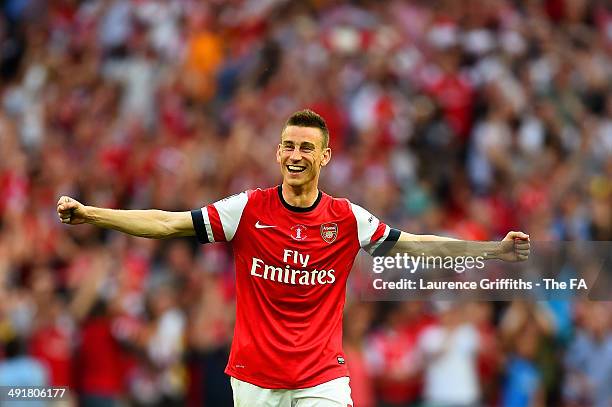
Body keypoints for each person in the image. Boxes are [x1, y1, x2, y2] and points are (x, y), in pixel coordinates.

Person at [57, 109, 530, 406]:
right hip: (254, 379)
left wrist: (491, 249)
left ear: (325, 157)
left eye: (307, 147)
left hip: (320, 378)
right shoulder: (246, 210)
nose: (295, 154)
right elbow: (169, 223)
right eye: (288, 145)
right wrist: (93, 215)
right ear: (277, 152)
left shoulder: (346, 219)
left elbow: (415, 244)